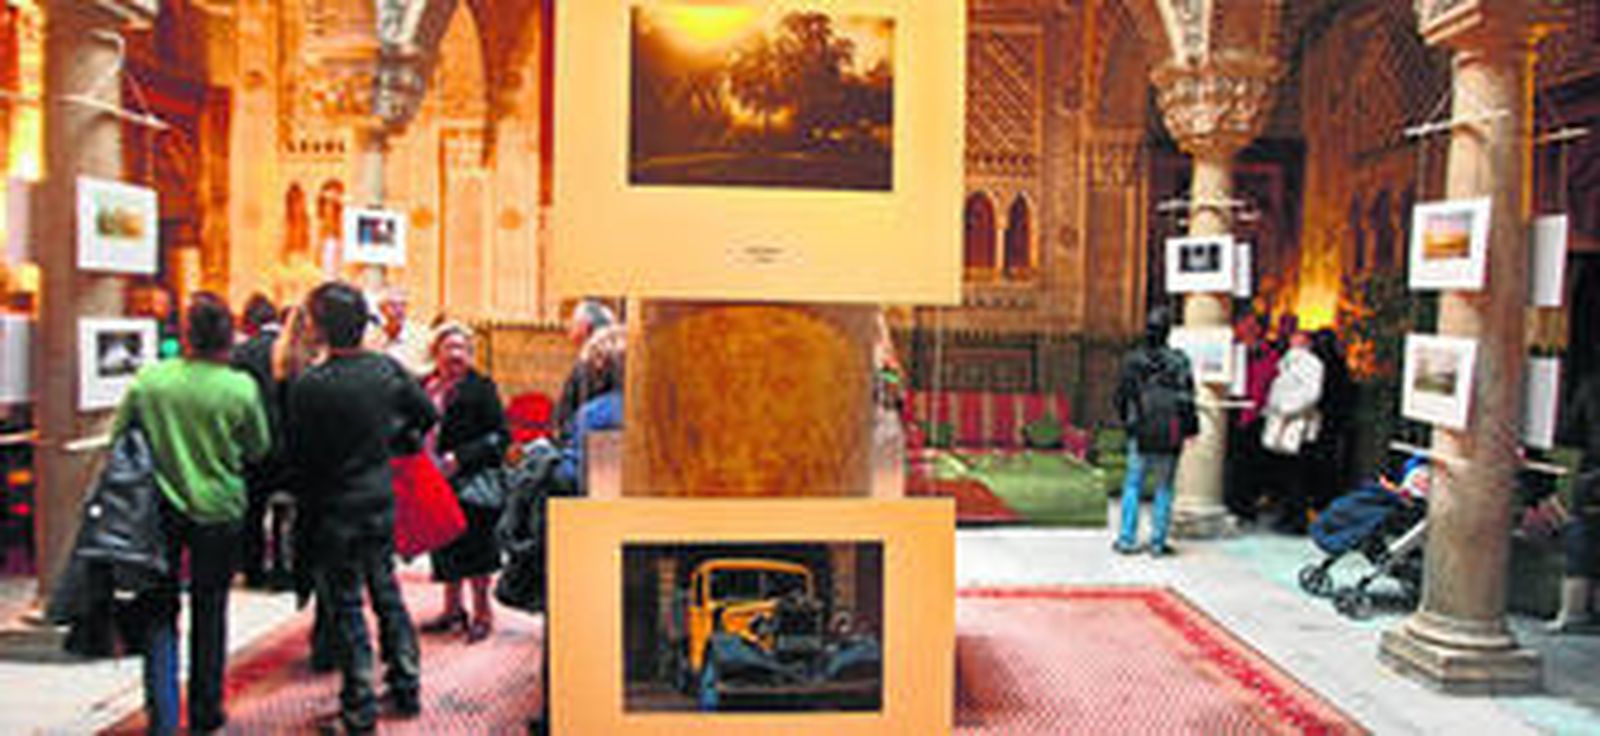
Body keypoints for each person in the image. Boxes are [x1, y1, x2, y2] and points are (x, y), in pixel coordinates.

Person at [115, 292, 271, 735]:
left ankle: (162, 715)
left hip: (159, 513)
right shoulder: (239, 387)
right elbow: (258, 447)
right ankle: (206, 713)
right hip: (220, 511)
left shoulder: (150, 381)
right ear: (228, 336)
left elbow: (120, 438)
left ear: (185, 333)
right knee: (211, 611)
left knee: (159, 613)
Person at [287, 282, 436, 732]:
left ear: (319, 326)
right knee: (386, 592)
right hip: (377, 497)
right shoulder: (386, 370)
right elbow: (427, 415)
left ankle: (359, 707)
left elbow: (300, 459)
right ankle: (406, 684)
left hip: (334, 507)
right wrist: (393, 441)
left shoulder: (309, 385)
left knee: (348, 604)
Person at [418, 322, 509, 644]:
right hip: (431, 478)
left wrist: (460, 458)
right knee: (443, 545)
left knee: (476, 549)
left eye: (462, 348)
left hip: (470, 480)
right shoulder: (424, 386)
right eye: (449, 347)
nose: (456, 354)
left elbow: (500, 437)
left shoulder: (481, 388)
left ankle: (483, 613)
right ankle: (452, 609)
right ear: (436, 352)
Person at [1112, 307, 1197, 557]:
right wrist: (1190, 429)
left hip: (1141, 429)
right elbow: (1187, 398)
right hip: (1169, 430)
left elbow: (1121, 397)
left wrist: (1128, 423)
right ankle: (1158, 542)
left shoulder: (1133, 360)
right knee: (1165, 486)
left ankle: (1127, 539)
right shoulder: (1180, 360)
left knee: (1133, 485)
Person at [231, 294, 294, 589]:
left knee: (253, 511)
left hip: (253, 444)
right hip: (288, 443)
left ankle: (253, 570)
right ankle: (284, 569)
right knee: (288, 510)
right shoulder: (292, 351)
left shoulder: (241, 354)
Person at [1551, 356, 1600, 633]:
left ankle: (1573, 610)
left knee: (1582, 533)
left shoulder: (1591, 384)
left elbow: (1569, 431)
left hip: (1593, 472)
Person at [1260, 330, 1326, 534]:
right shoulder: (1286, 362)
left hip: (1297, 426)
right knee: (1285, 474)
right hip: (1281, 423)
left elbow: (1311, 393)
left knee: (1297, 476)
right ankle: (1286, 515)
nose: (1292, 341)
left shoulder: (1311, 364)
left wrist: (1287, 408)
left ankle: (1296, 519)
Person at [551, 299, 617, 439]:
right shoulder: (599, 360)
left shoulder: (592, 363)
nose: (568, 327)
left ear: (585, 327)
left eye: (573, 323)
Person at [366, 286, 431, 375]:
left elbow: (431, 366)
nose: (399, 310)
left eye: (403, 305)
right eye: (393, 305)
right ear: (382, 309)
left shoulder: (423, 335)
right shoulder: (371, 338)